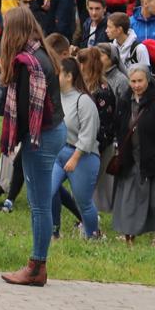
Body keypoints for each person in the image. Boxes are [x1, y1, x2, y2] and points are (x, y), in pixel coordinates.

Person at [0, 6, 68, 286]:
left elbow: (26, 113)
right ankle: (37, 264)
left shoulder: (27, 63)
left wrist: (15, 140)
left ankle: (36, 267)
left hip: (41, 137)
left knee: (38, 205)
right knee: (40, 202)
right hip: (54, 131)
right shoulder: (42, 52)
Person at [111, 66, 155, 246]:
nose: (136, 85)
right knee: (129, 200)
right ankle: (130, 241)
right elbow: (119, 125)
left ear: (148, 80)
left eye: (140, 81)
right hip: (131, 159)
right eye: (133, 81)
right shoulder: (124, 101)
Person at [52, 55, 103, 239]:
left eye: (58, 73)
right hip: (59, 152)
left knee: (83, 202)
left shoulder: (84, 101)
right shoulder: (55, 97)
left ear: (69, 76)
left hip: (83, 156)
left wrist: (75, 157)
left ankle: (93, 235)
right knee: (49, 192)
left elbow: (88, 136)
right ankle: (53, 232)